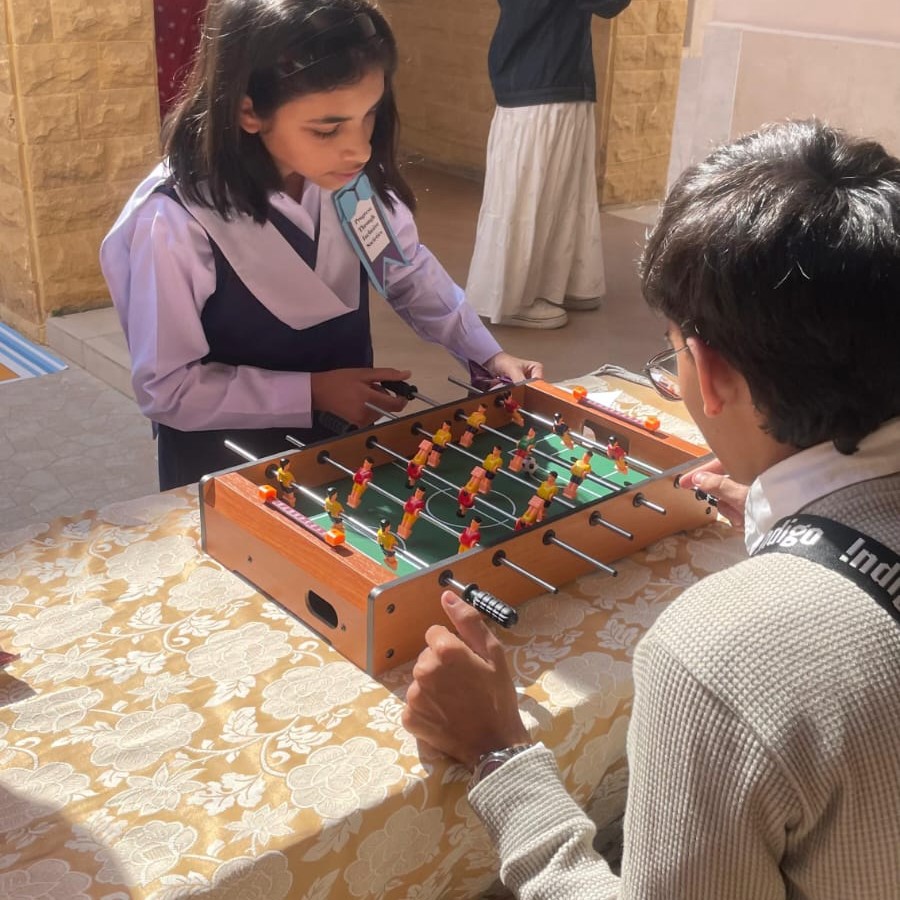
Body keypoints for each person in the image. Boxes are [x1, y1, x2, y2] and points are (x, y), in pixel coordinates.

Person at [403, 120, 900, 897]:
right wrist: (792, 520)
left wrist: (499, 754)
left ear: (707, 372)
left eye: (670, 353)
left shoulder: (716, 654)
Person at [101, 0, 542, 491]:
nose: (359, 148)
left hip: (344, 442)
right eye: (327, 128)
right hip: (226, 462)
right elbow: (168, 388)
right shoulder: (173, 222)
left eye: (369, 115)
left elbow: (406, 270)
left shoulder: (343, 179)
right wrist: (311, 391)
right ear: (248, 108)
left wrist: (485, 354)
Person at [464, 0, 631, 329]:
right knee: (530, 193)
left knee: (566, 189)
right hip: (539, 79)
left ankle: (563, 282)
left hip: (558, 72)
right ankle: (512, 300)